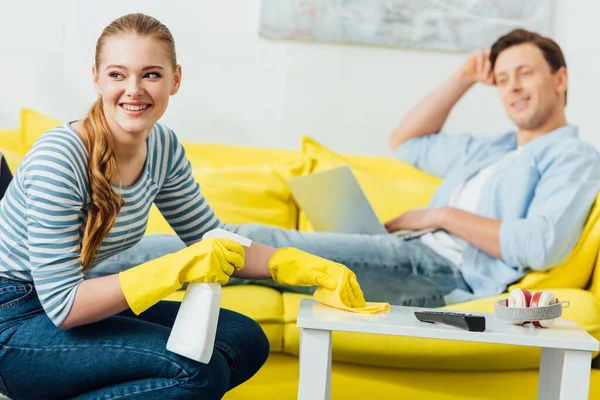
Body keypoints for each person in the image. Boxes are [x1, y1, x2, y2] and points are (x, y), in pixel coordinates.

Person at [0, 13, 365, 400]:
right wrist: (174, 268)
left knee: (244, 340)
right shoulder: (60, 158)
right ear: (96, 78)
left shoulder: (162, 147)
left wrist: (304, 266)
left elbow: (211, 237)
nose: (134, 90)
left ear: (175, 79)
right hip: (14, 318)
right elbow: (64, 306)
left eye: (151, 74)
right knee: (193, 374)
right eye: (118, 75)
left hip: (64, 307)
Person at [106, 28, 600, 309]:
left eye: (526, 74)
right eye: (505, 77)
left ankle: (91, 275)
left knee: (240, 241)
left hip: (442, 272)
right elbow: (407, 142)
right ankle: (86, 278)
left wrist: (440, 216)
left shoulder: (572, 157)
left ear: (560, 79)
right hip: (408, 252)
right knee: (243, 250)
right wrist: (466, 76)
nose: (512, 88)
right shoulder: (493, 149)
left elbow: (540, 243)